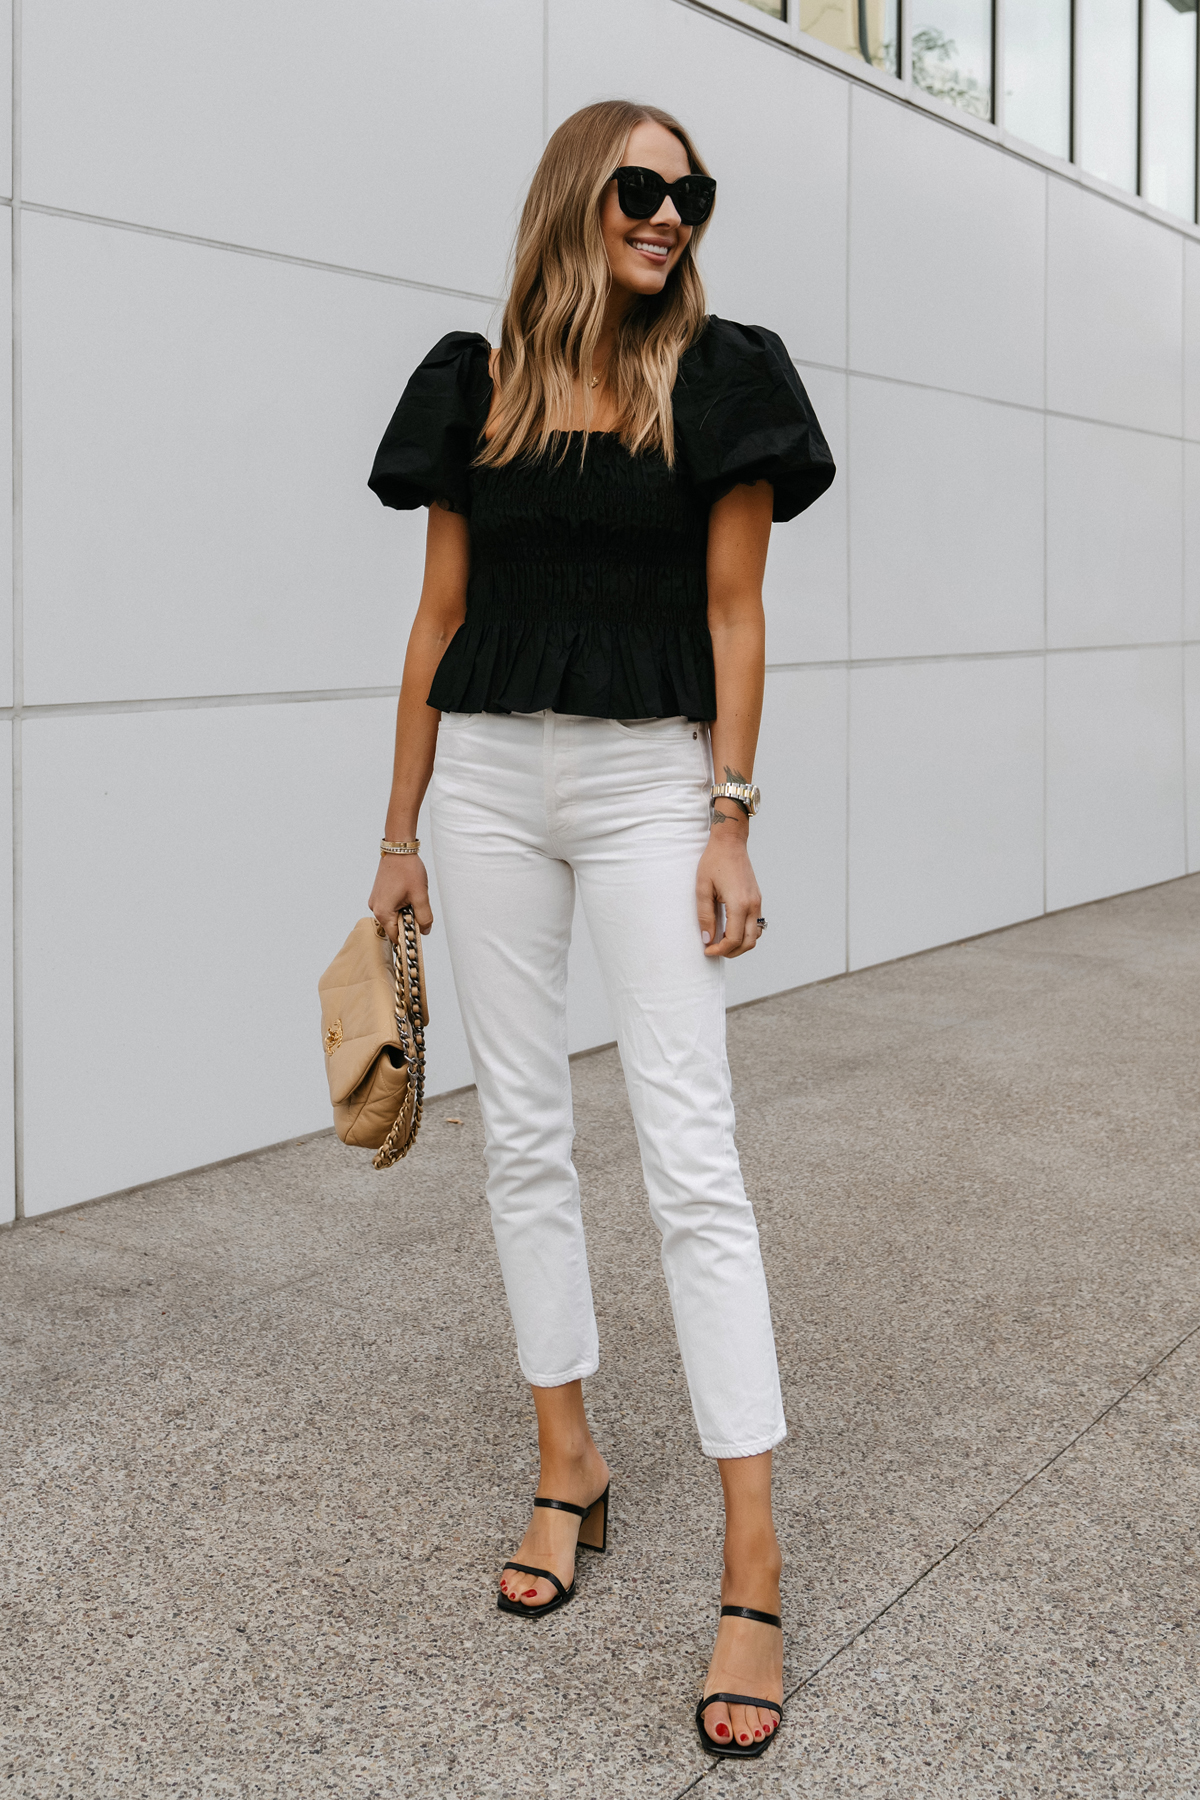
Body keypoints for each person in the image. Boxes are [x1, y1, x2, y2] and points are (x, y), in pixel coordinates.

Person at [366, 98, 834, 1760]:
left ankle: (752, 1555)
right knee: (525, 1142)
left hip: (649, 785)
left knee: (692, 1157)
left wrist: (730, 816)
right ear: (579, 194)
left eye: (693, 194)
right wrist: (399, 832)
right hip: (487, 778)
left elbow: (735, 612)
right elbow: (439, 616)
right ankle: (568, 1458)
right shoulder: (473, 380)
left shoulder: (723, 378)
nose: (673, 215)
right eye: (645, 187)